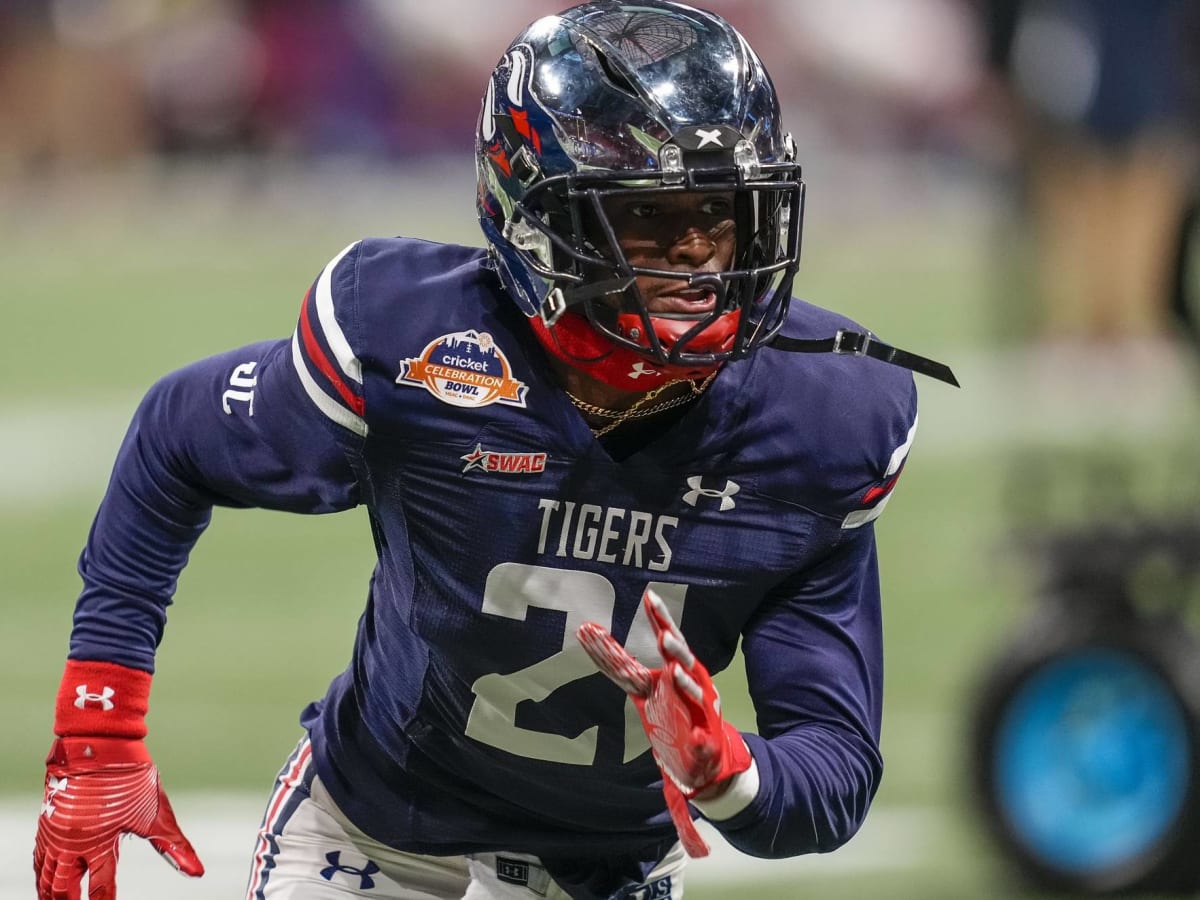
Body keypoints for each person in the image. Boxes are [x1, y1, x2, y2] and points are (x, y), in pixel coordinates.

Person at [32, 2, 955, 898]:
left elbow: (832, 772)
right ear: (534, 220)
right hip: (373, 833)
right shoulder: (421, 347)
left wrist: (729, 774)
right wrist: (99, 732)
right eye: (646, 221)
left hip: (608, 871)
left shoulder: (826, 423)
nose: (700, 264)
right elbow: (176, 440)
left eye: (720, 216)